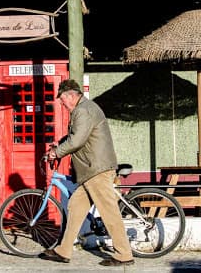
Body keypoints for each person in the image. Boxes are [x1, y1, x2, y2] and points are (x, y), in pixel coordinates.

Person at [39, 79, 134, 267]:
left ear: (72, 96)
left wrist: (55, 152)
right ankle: (63, 250)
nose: (61, 103)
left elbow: (77, 141)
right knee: (75, 206)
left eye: (62, 99)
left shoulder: (83, 110)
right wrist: (61, 142)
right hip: (90, 170)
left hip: (96, 169)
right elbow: (77, 135)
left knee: (109, 212)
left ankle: (124, 254)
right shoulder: (84, 109)